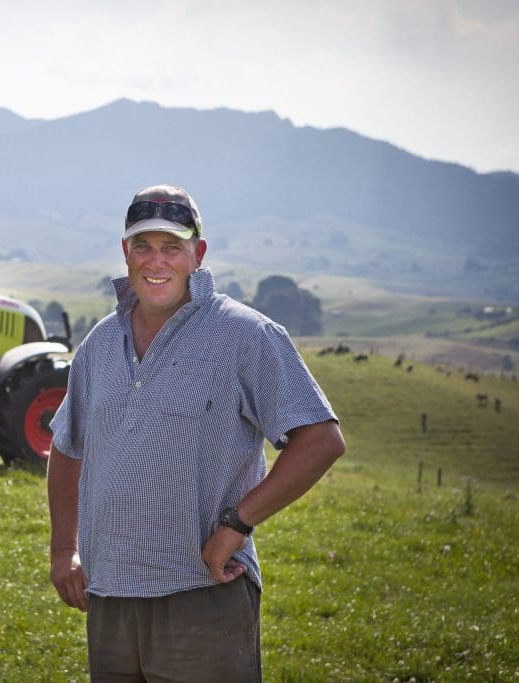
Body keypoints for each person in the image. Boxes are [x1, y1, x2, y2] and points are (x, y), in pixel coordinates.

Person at [47, 184, 345, 682]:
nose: (155, 261)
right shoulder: (100, 343)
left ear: (197, 253)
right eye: (143, 246)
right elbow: (66, 446)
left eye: (172, 247)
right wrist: (63, 552)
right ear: (125, 252)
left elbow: (321, 439)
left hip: (203, 594)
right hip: (110, 599)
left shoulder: (245, 334)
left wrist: (236, 525)